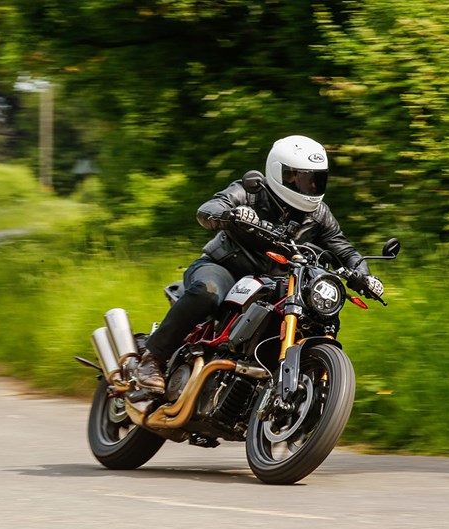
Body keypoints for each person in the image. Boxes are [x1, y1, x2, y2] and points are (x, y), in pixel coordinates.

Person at [136, 135, 384, 392]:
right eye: (297, 178)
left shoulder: (320, 214)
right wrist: (231, 213)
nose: (308, 186)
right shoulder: (252, 191)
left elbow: (344, 249)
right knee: (206, 292)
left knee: (315, 316)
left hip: (276, 283)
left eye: (315, 179)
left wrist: (364, 276)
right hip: (227, 268)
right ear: (278, 173)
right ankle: (153, 357)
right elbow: (208, 209)